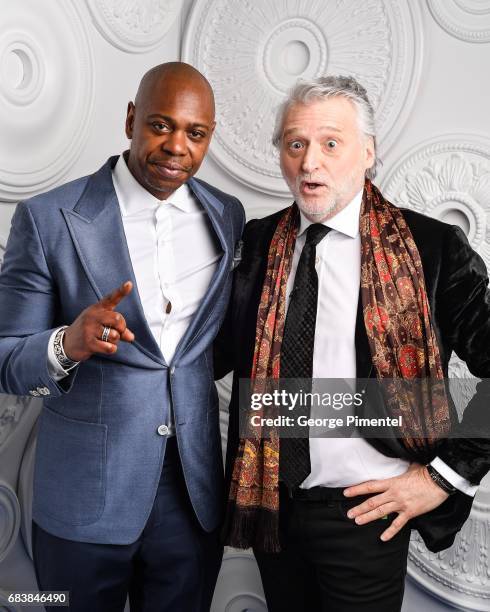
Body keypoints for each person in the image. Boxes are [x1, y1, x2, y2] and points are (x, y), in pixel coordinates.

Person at [215, 75, 490, 612]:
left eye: (330, 143)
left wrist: (445, 478)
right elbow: (213, 354)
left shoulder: (432, 249)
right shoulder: (257, 242)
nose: (309, 162)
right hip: (272, 503)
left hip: (368, 513)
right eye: (295, 144)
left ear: (367, 151)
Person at [0, 62, 245, 612]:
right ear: (131, 118)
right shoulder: (48, 218)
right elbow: (6, 358)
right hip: (84, 496)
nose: (176, 147)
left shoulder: (227, 217)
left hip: (192, 494)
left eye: (195, 133)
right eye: (160, 125)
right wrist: (67, 343)